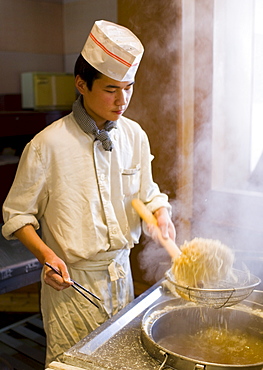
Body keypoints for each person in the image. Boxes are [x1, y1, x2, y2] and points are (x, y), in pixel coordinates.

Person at [2, 20, 175, 366]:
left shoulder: (135, 136)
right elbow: (17, 215)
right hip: (72, 285)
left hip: (121, 275)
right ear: (82, 84)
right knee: (75, 364)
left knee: (121, 360)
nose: (122, 100)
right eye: (111, 89)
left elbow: (149, 192)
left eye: (129, 88)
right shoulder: (47, 145)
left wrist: (162, 215)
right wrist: (46, 256)